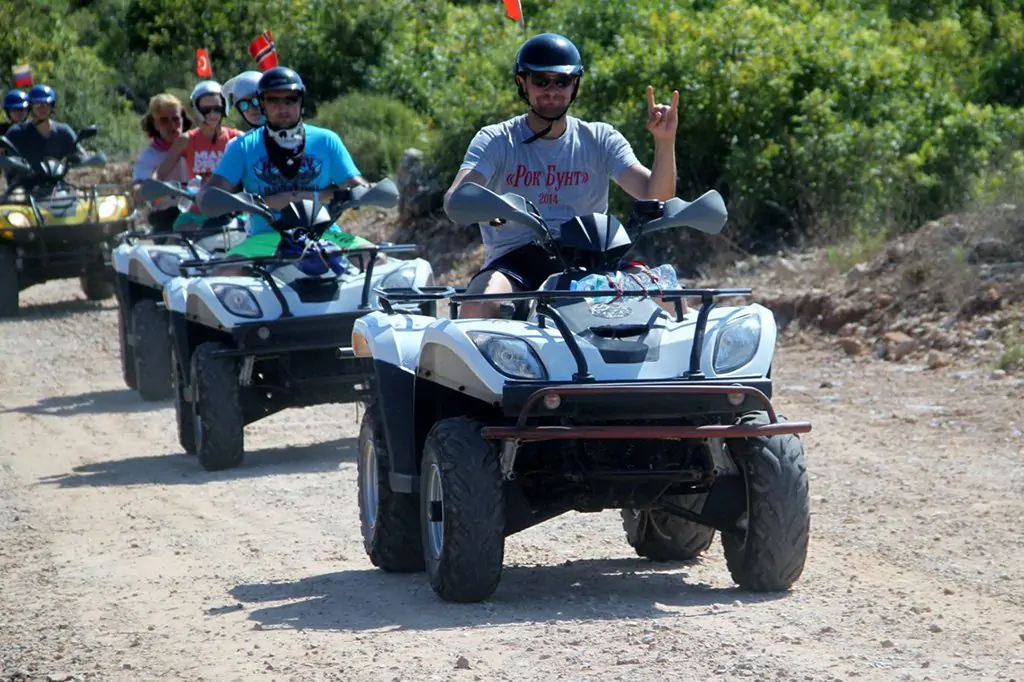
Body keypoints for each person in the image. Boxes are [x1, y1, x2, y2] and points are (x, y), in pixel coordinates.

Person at [443, 33, 680, 319]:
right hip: (517, 260)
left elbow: (657, 195)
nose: (551, 90)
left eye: (562, 81)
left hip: (593, 257)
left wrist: (665, 142)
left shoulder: (600, 137)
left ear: (575, 84)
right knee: (478, 306)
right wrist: (485, 205)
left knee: (674, 304)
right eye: (541, 81)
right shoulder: (496, 139)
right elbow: (456, 198)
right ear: (523, 83)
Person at [198, 66, 375, 262]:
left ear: (301, 101)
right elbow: (208, 196)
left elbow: (355, 184)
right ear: (263, 104)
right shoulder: (242, 147)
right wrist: (258, 202)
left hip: (326, 234)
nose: (282, 108)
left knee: (376, 258)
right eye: (273, 100)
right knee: (226, 273)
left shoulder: (326, 140)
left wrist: (370, 191)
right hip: (267, 238)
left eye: (290, 99)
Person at [156, 80, 243, 230]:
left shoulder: (237, 138)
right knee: (176, 244)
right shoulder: (187, 140)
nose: (212, 114)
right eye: (206, 109)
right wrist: (149, 186)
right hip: (196, 214)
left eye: (217, 108)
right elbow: (160, 173)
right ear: (196, 109)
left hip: (233, 212)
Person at [131, 93, 193, 234]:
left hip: (199, 213)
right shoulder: (150, 156)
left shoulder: (197, 145)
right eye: (164, 121)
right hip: (167, 218)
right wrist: (143, 190)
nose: (172, 126)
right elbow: (137, 189)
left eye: (176, 119)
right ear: (155, 124)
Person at [5, 84, 89, 181]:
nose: (41, 108)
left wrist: (86, 159)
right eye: (37, 104)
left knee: (77, 195)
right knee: (17, 196)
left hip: (57, 185)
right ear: (30, 107)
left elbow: (80, 154)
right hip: (24, 186)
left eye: (45, 104)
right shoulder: (17, 132)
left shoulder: (63, 131)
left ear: (51, 106)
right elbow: (4, 156)